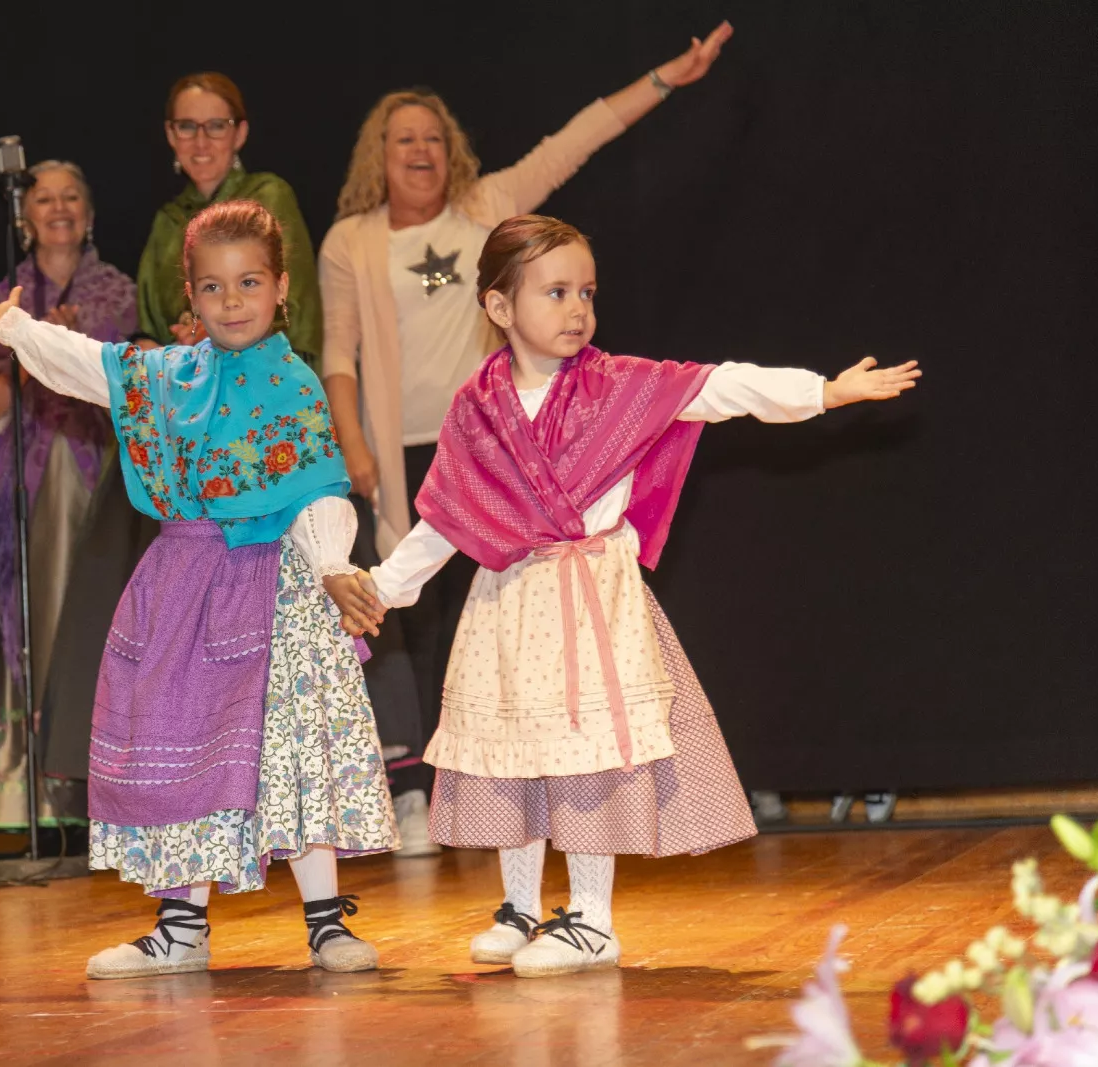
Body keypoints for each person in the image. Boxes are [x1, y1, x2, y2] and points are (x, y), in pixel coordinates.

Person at [350, 215, 919, 977]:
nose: (578, 307)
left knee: (587, 758)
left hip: (589, 596)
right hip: (509, 602)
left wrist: (822, 391)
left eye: (586, 290)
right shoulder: (476, 408)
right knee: (516, 752)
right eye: (556, 291)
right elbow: (444, 519)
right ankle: (520, 904)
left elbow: (721, 386)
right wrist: (382, 587)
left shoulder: (617, 387)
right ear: (498, 306)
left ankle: (591, 918)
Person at [0, 200, 398, 979]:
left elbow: (317, 485)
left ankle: (325, 923)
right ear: (190, 294)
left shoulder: (291, 383)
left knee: (288, 750)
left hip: (276, 586)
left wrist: (329, 562)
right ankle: (181, 927)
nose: (231, 302)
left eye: (248, 283)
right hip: (185, 581)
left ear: (281, 286)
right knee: (179, 743)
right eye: (213, 287)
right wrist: (16, 329)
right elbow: (95, 366)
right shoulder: (172, 375)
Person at [319, 22, 736, 853]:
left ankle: (532, 805)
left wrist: (666, 77)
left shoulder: (490, 207)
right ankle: (415, 790)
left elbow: (577, 137)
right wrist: (353, 448)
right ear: (379, 153)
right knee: (415, 614)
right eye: (404, 139)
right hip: (403, 457)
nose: (422, 150)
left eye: (435, 138)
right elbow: (338, 354)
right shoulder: (351, 241)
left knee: (499, 624)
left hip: (513, 450)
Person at [0, 160, 145, 844]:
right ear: (25, 213)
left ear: (91, 210)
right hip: (27, 482)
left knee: (98, 617)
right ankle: (27, 800)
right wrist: (26, 351)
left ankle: (97, 789)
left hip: (99, 477)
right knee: (30, 613)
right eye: (45, 198)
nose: (60, 207)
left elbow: (136, 382)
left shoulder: (119, 292)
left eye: (73, 195)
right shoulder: (2, 293)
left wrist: (79, 350)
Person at [137, 72, 322, 367]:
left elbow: (296, 308)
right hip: (189, 394)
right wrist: (156, 349)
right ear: (171, 135)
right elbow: (147, 324)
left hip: (263, 383)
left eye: (216, 126)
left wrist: (212, 333)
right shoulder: (167, 221)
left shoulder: (267, 198)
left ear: (240, 133)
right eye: (187, 127)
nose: (201, 142)